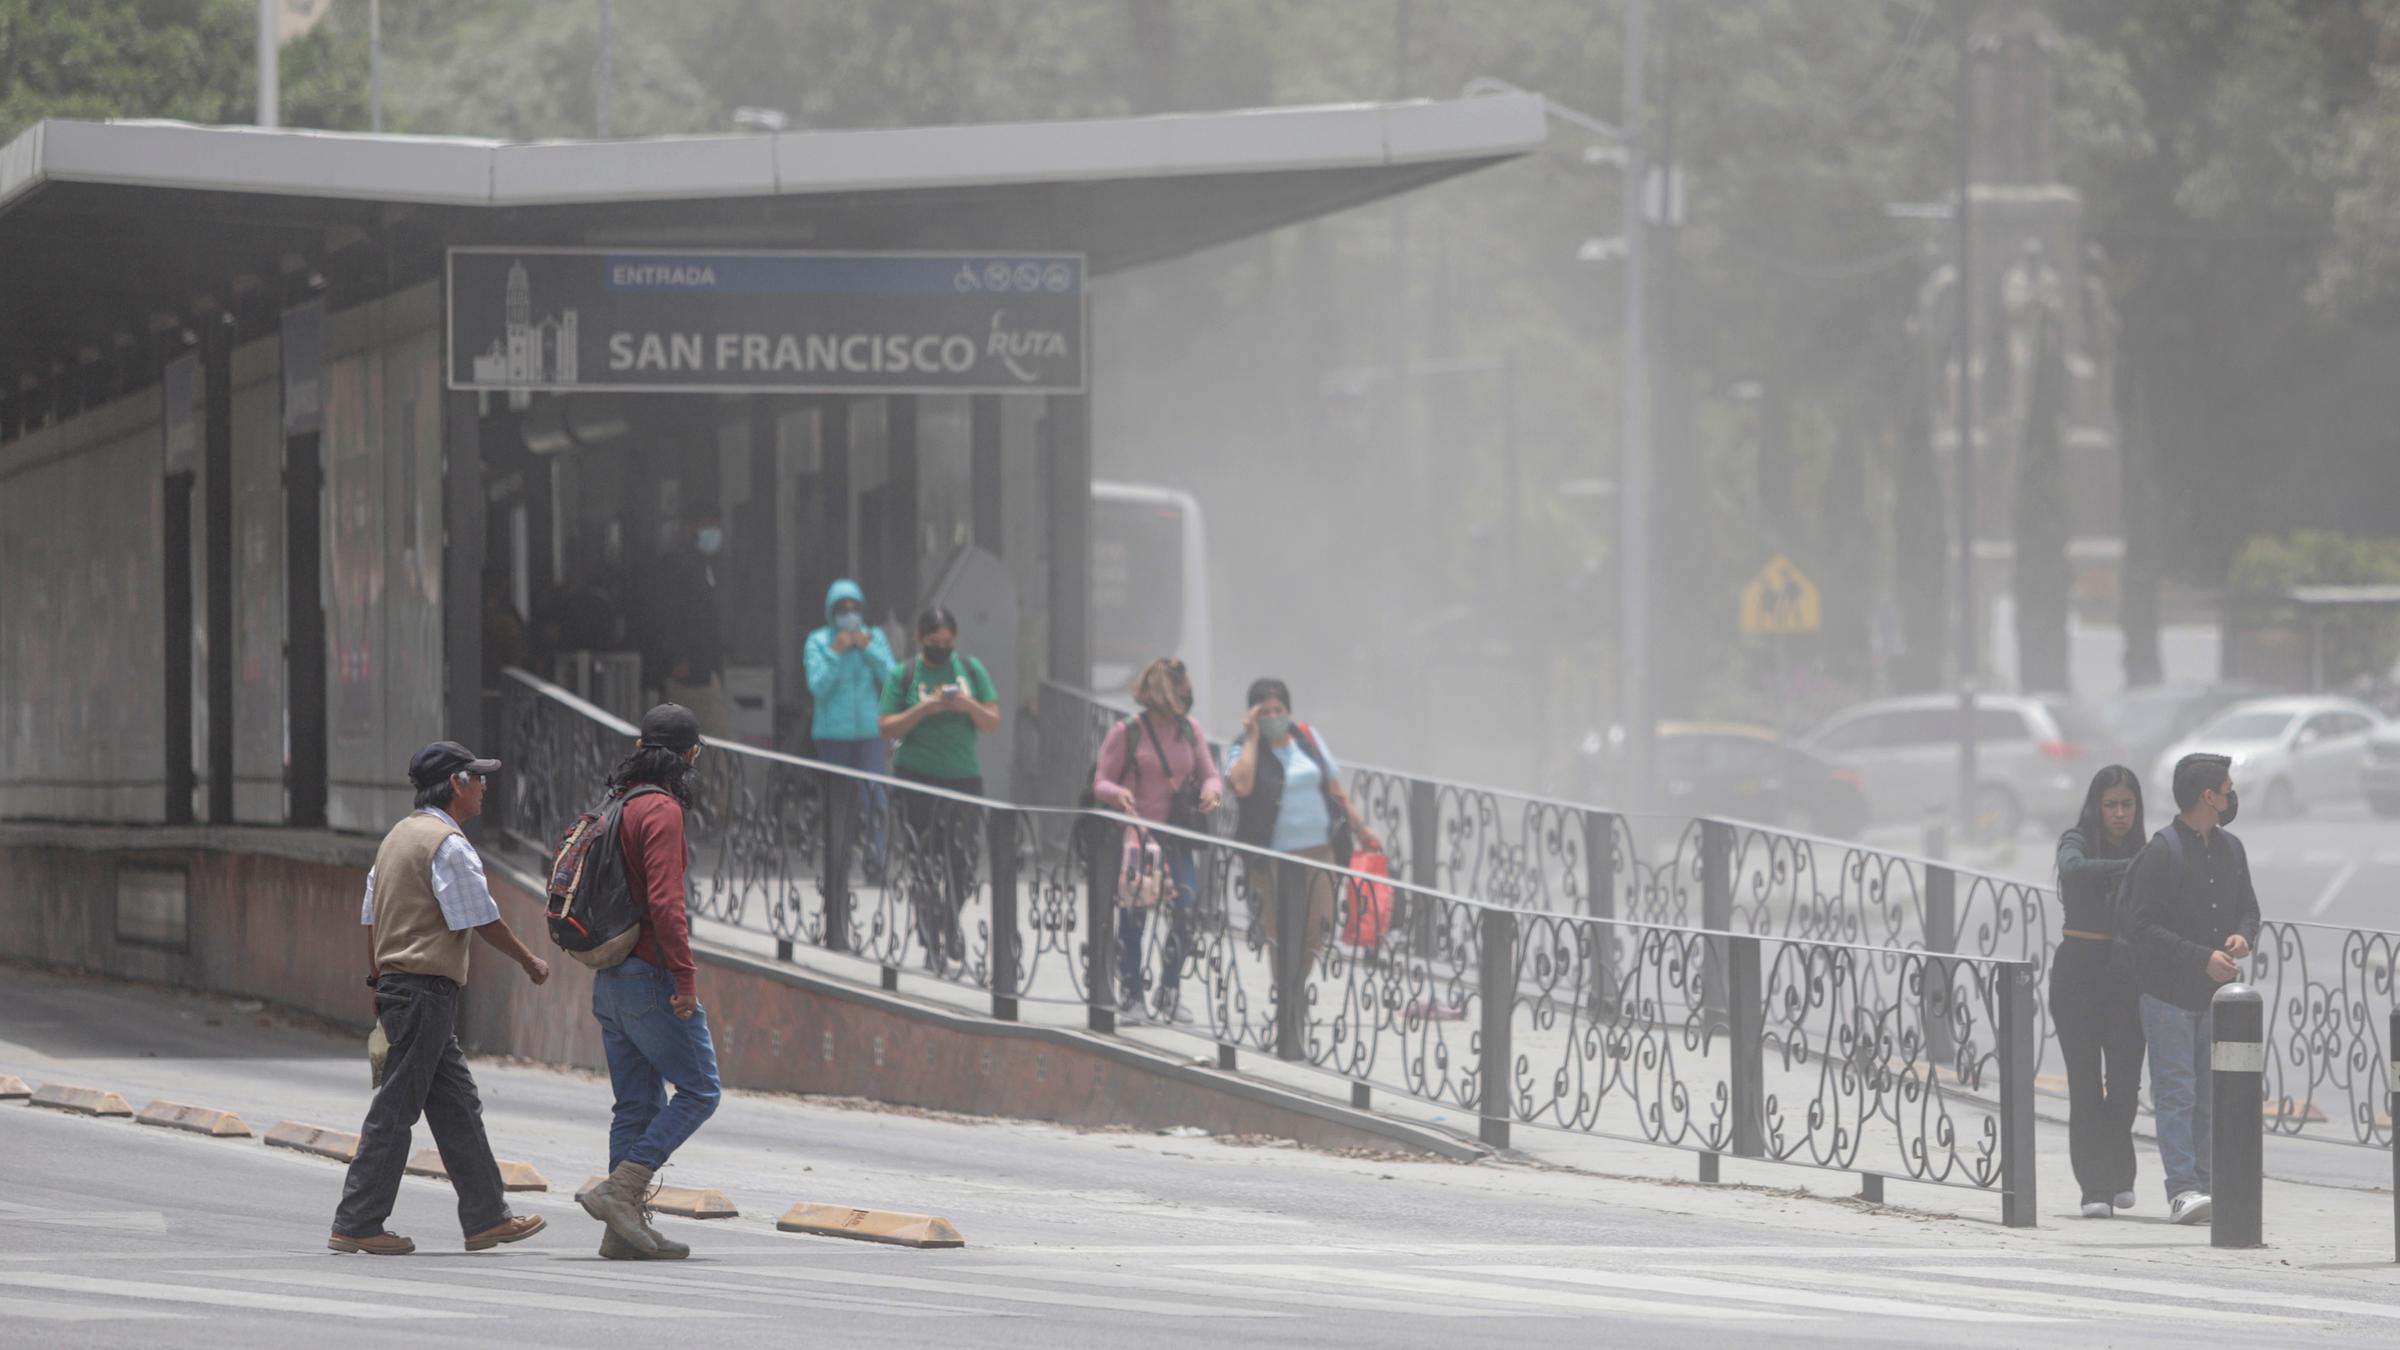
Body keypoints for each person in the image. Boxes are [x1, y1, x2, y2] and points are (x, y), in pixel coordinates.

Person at [330, 741, 551, 1257]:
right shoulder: (447, 844)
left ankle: (486, 1218)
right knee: (396, 1108)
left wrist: (377, 981)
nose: (484, 788)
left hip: (403, 988)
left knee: (457, 1106)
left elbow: (371, 918)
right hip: (424, 990)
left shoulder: (396, 839)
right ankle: (357, 1221)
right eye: (478, 778)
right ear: (456, 783)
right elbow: (480, 917)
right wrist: (529, 960)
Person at [577, 703, 722, 1261]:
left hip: (610, 975)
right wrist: (684, 977)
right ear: (691, 756)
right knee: (701, 1090)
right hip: (648, 975)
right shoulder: (661, 809)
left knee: (635, 1105)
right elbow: (666, 903)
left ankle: (622, 1232)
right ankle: (623, 1189)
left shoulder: (616, 803)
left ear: (639, 749)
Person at [2121, 751, 2261, 1227]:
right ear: (2208, 797)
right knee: (2177, 1094)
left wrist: (2243, 936)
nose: (2231, 797)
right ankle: (2182, 1189)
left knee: (2210, 1096)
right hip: (2169, 997)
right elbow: (2141, 926)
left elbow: (2249, 909)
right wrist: (2201, 957)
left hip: (2216, 1000)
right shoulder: (2162, 852)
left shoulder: (2231, 849)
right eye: (2227, 790)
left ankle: (2207, 1183)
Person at [1093, 657, 1223, 1025]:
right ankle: (1131, 993)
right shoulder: (1127, 731)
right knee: (1133, 915)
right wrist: (1118, 794)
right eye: (1183, 690)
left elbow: (1210, 774)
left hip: (1176, 836)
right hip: (1138, 837)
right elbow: (1101, 781)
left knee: (1186, 908)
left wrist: (1212, 792)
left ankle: (1169, 991)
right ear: (1166, 693)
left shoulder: (1189, 729)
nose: (1188, 696)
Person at [878, 607, 1000, 972]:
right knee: (925, 860)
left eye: (947, 642)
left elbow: (991, 721)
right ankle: (931, 939)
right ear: (919, 639)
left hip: (963, 777)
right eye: (934, 642)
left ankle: (948, 919)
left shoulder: (971, 670)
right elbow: (886, 726)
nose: (941, 648)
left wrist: (967, 704)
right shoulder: (904, 675)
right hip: (917, 777)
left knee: (963, 862)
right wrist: (924, 708)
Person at [1224, 677, 1380, 962]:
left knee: (1320, 927)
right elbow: (1240, 786)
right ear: (1253, 715)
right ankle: (1286, 991)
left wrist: (1362, 828)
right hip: (1270, 858)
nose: (1273, 717)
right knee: (1280, 934)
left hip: (1319, 853)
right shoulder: (1244, 746)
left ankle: (1296, 986)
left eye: (1278, 710)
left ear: (1288, 710)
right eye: (1265, 712)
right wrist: (1252, 737)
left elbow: (1335, 789)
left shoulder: (1307, 738)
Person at [2053, 765, 2147, 1219]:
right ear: (2097, 806)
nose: (2119, 814)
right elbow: (2071, 869)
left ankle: (2120, 1173)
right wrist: (2133, 869)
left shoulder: (2147, 849)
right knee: (2085, 1084)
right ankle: (2095, 1187)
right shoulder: (2076, 840)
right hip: (2078, 971)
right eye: (2111, 805)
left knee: (2125, 1085)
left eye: (2127, 805)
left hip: (2126, 975)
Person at [805, 578, 897, 878]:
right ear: (831, 612)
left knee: (875, 797)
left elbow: (892, 677)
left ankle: (875, 860)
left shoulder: (874, 637)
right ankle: (838, 862)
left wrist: (868, 648)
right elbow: (817, 686)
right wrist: (836, 652)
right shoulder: (818, 641)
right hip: (832, 736)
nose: (849, 614)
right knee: (838, 802)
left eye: (854, 608)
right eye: (842, 609)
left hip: (869, 734)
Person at [649, 508, 733, 738]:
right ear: (690, 528)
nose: (713, 533)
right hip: (688, 672)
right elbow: (669, 615)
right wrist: (678, 658)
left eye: (716, 526)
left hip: (705, 667)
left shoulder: (708, 565)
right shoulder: (678, 566)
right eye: (707, 526)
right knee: (710, 737)